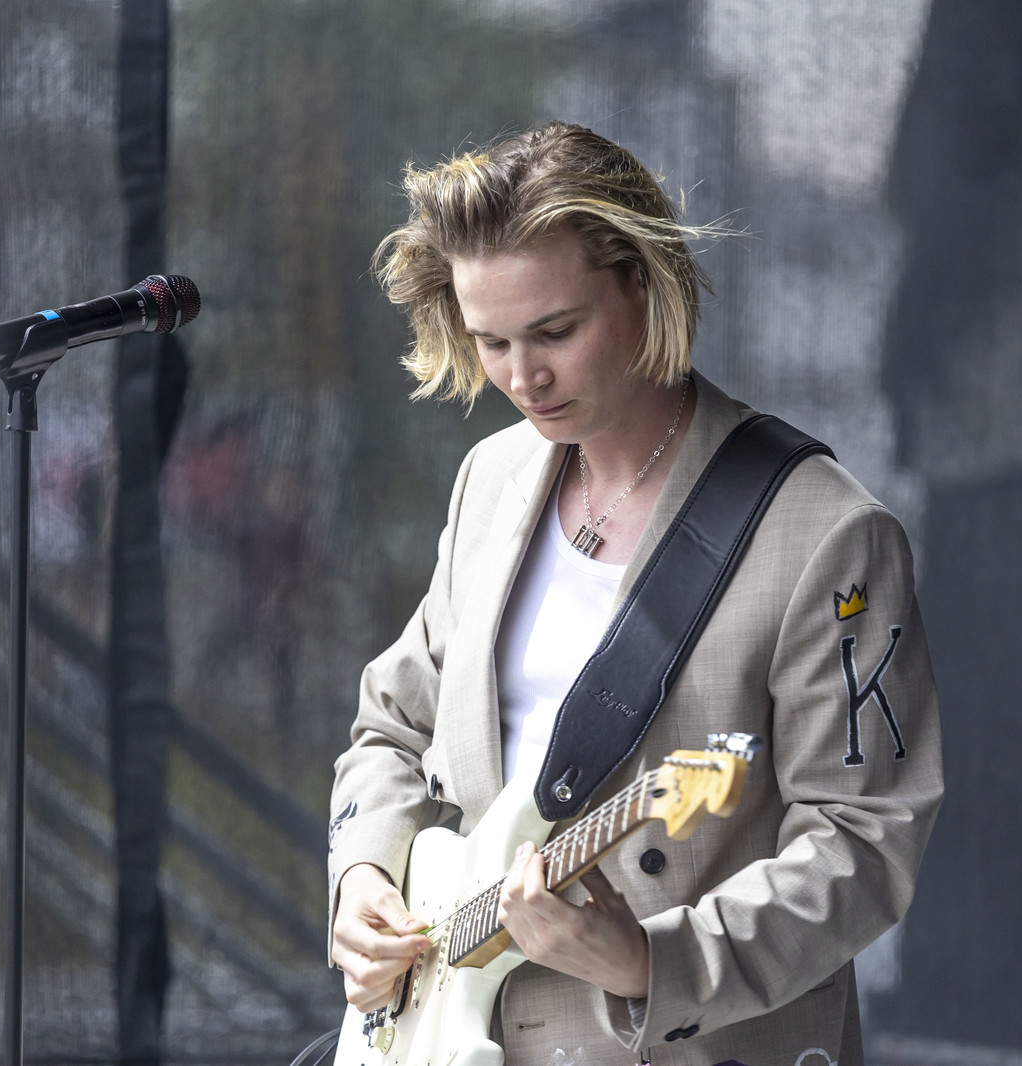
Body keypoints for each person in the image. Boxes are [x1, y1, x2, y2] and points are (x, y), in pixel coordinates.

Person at [327, 121, 942, 1066]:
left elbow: (865, 838)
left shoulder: (827, 532)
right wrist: (365, 872)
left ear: (646, 287)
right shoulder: (492, 477)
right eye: (491, 341)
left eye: (556, 332)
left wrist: (655, 961)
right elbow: (392, 725)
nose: (523, 376)